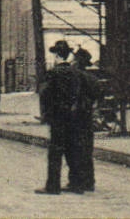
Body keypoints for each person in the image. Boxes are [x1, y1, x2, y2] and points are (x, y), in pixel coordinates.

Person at [36, 40, 82, 195]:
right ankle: (76, 183)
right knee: (72, 150)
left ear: (56, 55)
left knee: (55, 151)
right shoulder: (75, 72)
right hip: (73, 116)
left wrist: (46, 114)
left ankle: (53, 186)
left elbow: (45, 94)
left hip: (57, 116)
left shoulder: (54, 73)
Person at [70, 47, 102, 193]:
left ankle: (77, 182)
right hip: (87, 116)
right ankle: (89, 181)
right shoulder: (93, 78)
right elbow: (98, 97)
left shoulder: (75, 77)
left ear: (77, 61)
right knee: (87, 150)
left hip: (76, 116)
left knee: (75, 149)